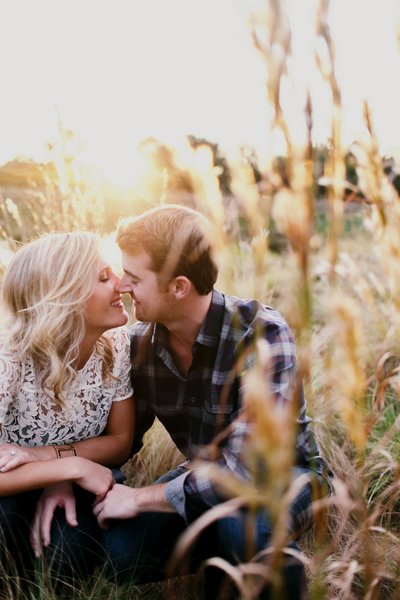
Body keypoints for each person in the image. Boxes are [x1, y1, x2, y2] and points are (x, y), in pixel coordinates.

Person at [90, 204, 327, 598]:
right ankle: (228, 555)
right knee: (121, 554)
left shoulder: (261, 334)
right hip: (200, 477)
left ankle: (263, 562)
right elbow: (120, 440)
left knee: (245, 524)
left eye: (134, 278)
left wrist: (143, 497)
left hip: (283, 476)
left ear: (179, 287)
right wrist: (59, 469)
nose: (122, 287)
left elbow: (249, 472)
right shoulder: (140, 345)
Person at [0, 231, 134, 579]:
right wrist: (69, 468)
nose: (121, 285)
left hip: (80, 479)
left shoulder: (116, 342)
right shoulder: (9, 356)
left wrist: (58, 464)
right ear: (62, 299)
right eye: (104, 278)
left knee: (68, 561)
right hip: (11, 486)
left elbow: (120, 440)